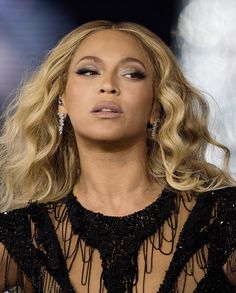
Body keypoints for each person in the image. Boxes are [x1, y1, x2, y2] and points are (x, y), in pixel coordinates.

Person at [0, 19, 235, 293]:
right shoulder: (25, 234)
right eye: (88, 71)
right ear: (61, 100)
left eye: (132, 74)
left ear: (156, 107)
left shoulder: (222, 218)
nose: (108, 85)